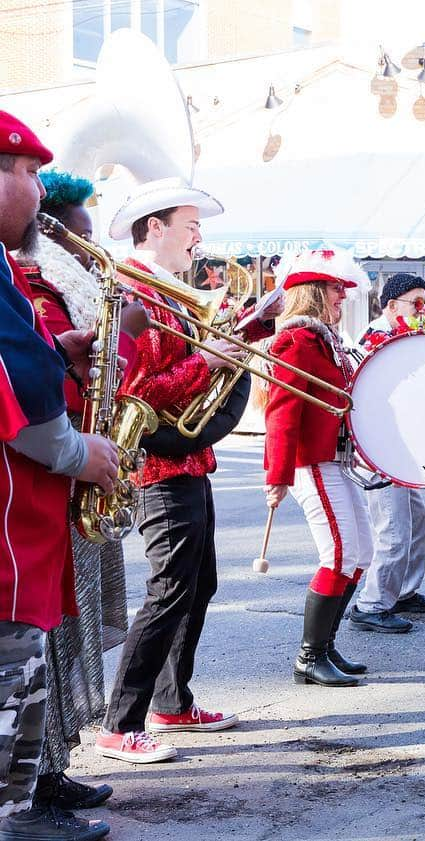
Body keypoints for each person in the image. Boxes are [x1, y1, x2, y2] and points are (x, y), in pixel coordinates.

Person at [95, 177, 251, 764]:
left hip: (190, 458)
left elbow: (178, 378)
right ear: (154, 228)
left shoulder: (174, 294)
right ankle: (120, 722)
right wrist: (205, 361)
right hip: (159, 463)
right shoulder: (136, 292)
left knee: (198, 584)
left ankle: (172, 702)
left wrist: (220, 353)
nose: (198, 237)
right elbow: (135, 391)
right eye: (190, 225)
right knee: (169, 590)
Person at [0, 110, 117, 841]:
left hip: (24, 523)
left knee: (24, 676)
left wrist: (60, 345)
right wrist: (82, 454)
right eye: (26, 172)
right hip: (11, 523)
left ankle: (18, 810)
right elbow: (16, 384)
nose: (38, 191)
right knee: (8, 684)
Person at [17, 171, 145, 814]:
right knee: (46, 641)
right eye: (80, 235)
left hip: (74, 473)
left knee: (65, 635)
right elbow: (33, 390)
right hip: (53, 480)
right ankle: (34, 782)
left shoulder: (58, 286)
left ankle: (52, 763)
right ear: (55, 234)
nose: (89, 247)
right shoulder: (31, 286)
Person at [263, 250, 373, 686]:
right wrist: (278, 475)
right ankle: (310, 656)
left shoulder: (326, 341)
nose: (341, 297)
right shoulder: (298, 342)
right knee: (341, 553)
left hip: (337, 459)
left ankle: (325, 646)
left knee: (362, 553)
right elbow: (282, 411)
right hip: (314, 461)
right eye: (334, 290)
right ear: (313, 295)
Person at [346, 273, 425, 634]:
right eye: (416, 303)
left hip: (399, 445)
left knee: (414, 520)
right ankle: (372, 603)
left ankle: (402, 590)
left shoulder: (402, 337)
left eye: (424, 303)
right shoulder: (377, 341)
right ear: (391, 306)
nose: (423, 310)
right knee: (393, 526)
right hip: (381, 447)